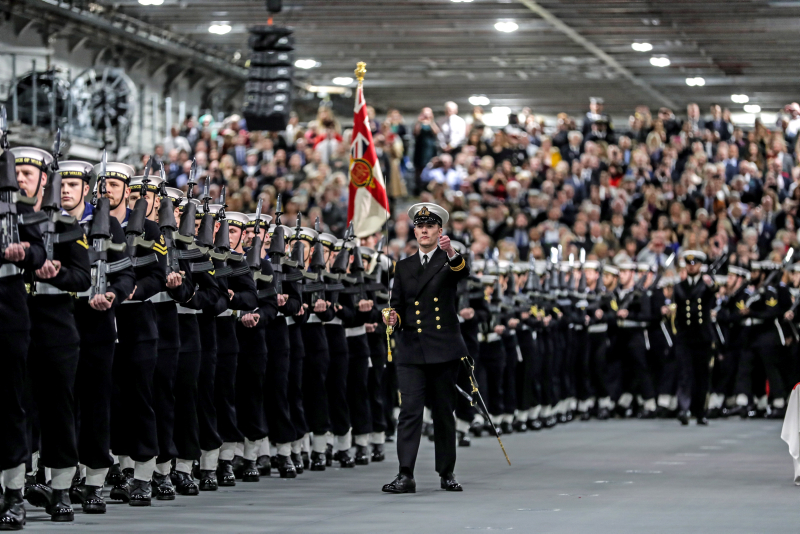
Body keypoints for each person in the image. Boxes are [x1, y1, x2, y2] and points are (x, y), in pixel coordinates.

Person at [382, 202, 469, 494]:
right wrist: (392, 317)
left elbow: (462, 271)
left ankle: (447, 472)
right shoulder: (404, 266)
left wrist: (451, 252)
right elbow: (398, 305)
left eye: (429, 227)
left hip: (442, 348)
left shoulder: (448, 259)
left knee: (444, 412)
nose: (424, 231)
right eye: (420, 227)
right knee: (410, 412)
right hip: (411, 349)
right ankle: (405, 473)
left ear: (439, 231)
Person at [671, 251, 718, 425]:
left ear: (700, 265)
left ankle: (700, 411)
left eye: (695, 263)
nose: (692, 266)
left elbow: (714, 290)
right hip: (685, 336)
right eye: (689, 263)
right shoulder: (679, 286)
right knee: (684, 373)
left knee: (702, 375)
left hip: (702, 336)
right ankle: (683, 409)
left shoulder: (706, 284)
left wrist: (711, 283)